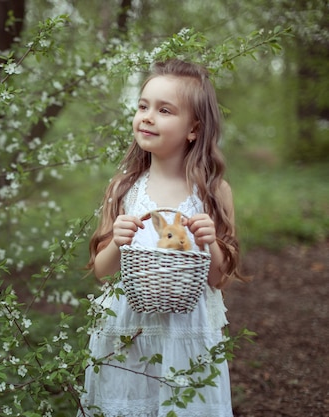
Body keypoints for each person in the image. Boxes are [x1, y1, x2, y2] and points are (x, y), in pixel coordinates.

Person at [78, 59, 246, 417]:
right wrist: (116, 242)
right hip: (128, 332)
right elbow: (103, 272)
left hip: (188, 332)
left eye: (164, 110)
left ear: (194, 129)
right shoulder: (124, 189)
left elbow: (219, 279)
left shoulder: (214, 193)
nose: (148, 116)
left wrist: (211, 243)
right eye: (143, 106)